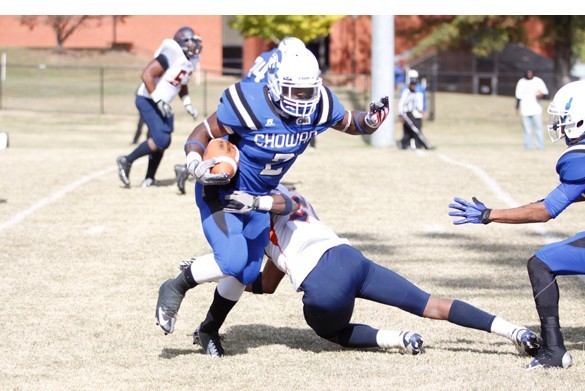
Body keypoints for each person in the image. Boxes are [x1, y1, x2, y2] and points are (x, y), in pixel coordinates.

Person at [155, 46, 391, 356]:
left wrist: (372, 120)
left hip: (258, 196)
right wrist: (194, 160)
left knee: (247, 273)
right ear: (277, 85)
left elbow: (351, 123)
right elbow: (203, 131)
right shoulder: (249, 101)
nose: (303, 98)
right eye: (296, 90)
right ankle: (176, 285)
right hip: (223, 190)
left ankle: (208, 329)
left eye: (309, 90)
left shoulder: (319, 104)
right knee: (233, 261)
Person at [181, 184, 542, 358]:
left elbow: (276, 212)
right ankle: (514, 330)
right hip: (350, 259)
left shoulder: (266, 209)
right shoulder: (298, 204)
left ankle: (396, 339)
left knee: (331, 334)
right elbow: (266, 285)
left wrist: (209, 270)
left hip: (322, 283)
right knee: (432, 304)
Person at [447, 80, 585, 370]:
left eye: (564, 120)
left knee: (541, 263)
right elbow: (568, 196)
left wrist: (489, 214)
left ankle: (553, 351)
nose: (560, 127)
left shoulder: (578, 159)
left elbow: (546, 211)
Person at [175, 37, 309, 194]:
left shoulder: (267, 56)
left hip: (247, 101)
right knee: (226, 152)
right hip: (252, 108)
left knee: (228, 149)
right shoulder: (282, 65)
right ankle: (189, 170)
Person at [116, 26, 202, 188]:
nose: (193, 45)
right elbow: (146, 74)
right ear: (180, 42)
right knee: (160, 139)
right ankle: (126, 160)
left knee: (164, 139)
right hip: (148, 99)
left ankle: (149, 178)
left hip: (162, 103)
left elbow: (181, 83)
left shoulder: (189, 62)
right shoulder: (172, 53)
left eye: (194, 41)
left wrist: (187, 103)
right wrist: (158, 100)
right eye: (189, 41)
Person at [396, 69, 434, 150]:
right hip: (407, 114)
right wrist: (400, 114)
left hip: (416, 114)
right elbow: (401, 103)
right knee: (412, 130)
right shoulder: (405, 90)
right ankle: (424, 145)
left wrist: (423, 109)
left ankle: (413, 144)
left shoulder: (419, 89)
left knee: (415, 129)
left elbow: (423, 100)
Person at [515, 69, 548, 151]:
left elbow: (545, 94)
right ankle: (528, 147)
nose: (529, 75)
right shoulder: (521, 82)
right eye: (528, 74)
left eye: (531, 73)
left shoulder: (538, 81)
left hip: (536, 109)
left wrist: (541, 95)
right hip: (525, 109)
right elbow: (518, 96)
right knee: (527, 130)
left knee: (538, 129)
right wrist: (517, 107)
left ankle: (541, 147)